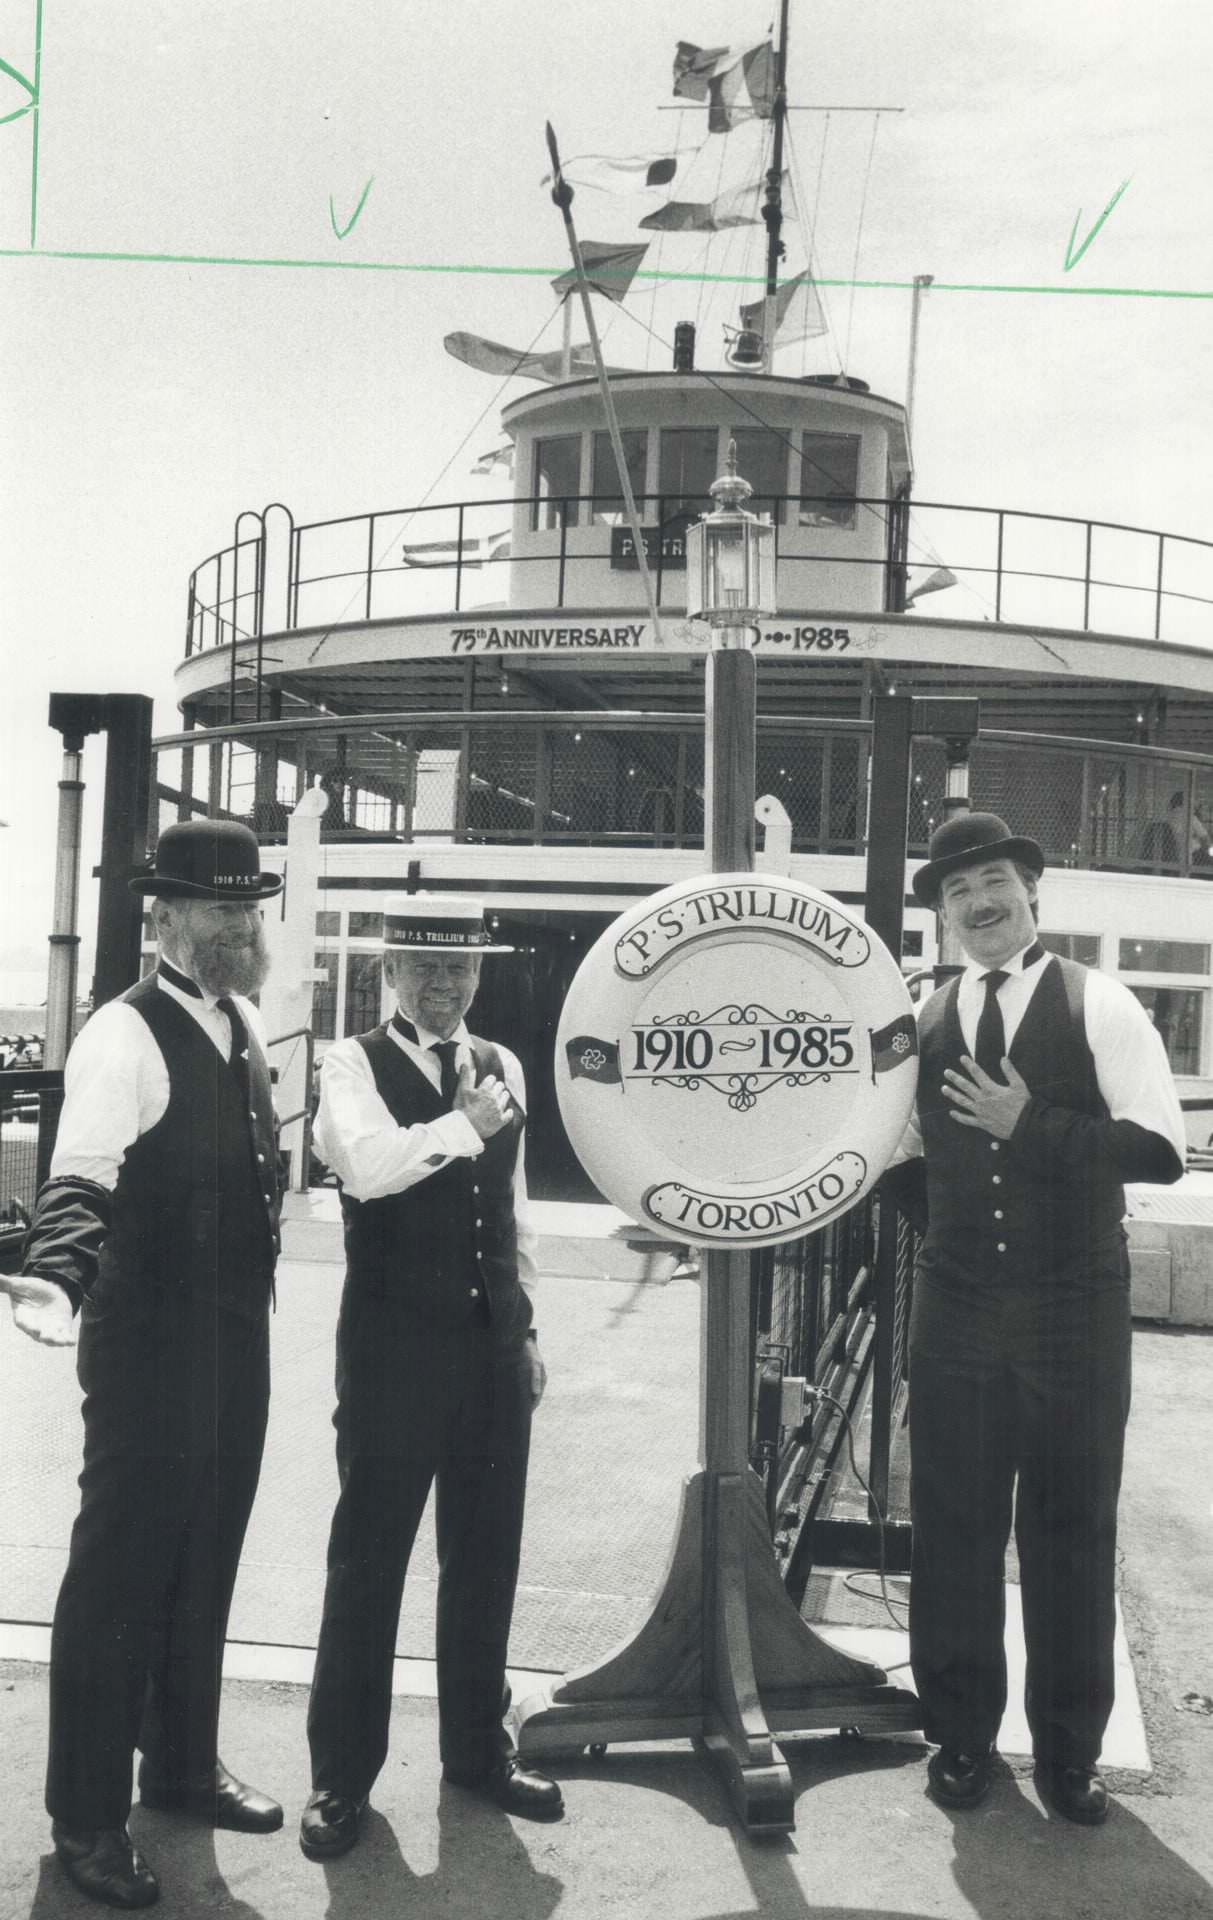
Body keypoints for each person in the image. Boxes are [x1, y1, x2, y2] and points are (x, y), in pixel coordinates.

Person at [2, 820, 286, 1909]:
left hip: (234, 1347)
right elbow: (81, 1179)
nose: (238, 926)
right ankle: (85, 1818)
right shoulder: (121, 1037)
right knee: (120, 1581)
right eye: (220, 909)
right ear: (159, 917)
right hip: (152, 1352)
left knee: (205, 1562)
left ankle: (177, 1764)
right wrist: (58, 1277)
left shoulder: (243, 1022)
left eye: (247, 909)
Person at [886, 812, 1185, 1826]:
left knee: (1069, 1533)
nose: (979, 904)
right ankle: (961, 1740)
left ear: (1031, 892)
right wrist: (954, 1238)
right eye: (958, 890)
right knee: (954, 1532)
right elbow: (897, 1161)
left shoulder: (1098, 1000)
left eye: (996, 883)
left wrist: (1033, 1126)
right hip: (958, 1309)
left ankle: (1068, 1756)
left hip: (1073, 1315)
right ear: (941, 912)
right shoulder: (920, 1019)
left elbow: (1159, 1151)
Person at [299, 893, 562, 1861]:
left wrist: (525, 1330)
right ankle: (339, 1781)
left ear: (480, 977)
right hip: (391, 1355)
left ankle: (475, 1753)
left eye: (460, 969)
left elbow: (515, 1209)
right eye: (423, 967)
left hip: (490, 1349)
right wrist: (461, 1123)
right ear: (388, 976)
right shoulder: (348, 1062)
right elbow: (365, 1167)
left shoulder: (503, 1065)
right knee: (367, 1565)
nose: (444, 985)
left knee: (485, 1557)